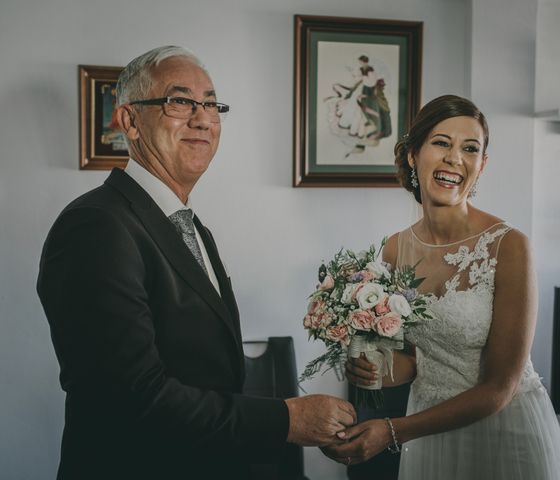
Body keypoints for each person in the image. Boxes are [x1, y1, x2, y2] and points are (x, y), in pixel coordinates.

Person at [37, 46, 355, 480]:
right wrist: (286, 421)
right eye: (179, 101)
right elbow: (132, 399)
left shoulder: (186, 223)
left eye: (211, 104)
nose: (202, 118)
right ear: (129, 121)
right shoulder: (95, 226)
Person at [323, 95, 560, 479]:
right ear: (412, 155)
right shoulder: (394, 249)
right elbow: (412, 360)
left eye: (470, 149)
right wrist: (372, 369)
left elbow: (499, 388)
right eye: (441, 142)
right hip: (431, 435)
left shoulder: (509, 246)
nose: (455, 158)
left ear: (481, 165)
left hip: (505, 431)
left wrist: (392, 431)